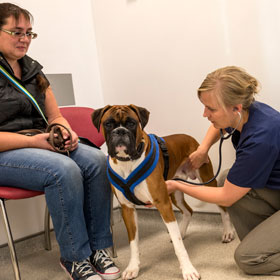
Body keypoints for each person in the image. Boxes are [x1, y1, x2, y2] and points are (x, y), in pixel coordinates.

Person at [0, 3, 120, 280]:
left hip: (39, 143)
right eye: (16, 32)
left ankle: (98, 249)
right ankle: (75, 258)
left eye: (30, 33)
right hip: (8, 151)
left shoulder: (33, 70)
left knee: (97, 161)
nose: (25, 39)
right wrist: (34, 142)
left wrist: (64, 130)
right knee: (62, 170)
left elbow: (55, 116)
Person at [166, 66, 280, 276]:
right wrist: (202, 150)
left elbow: (226, 198)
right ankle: (265, 244)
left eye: (211, 109)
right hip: (276, 190)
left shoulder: (260, 138)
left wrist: (176, 184)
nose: (205, 114)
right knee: (227, 177)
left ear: (235, 108)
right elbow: (217, 126)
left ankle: (261, 250)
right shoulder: (247, 111)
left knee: (247, 259)